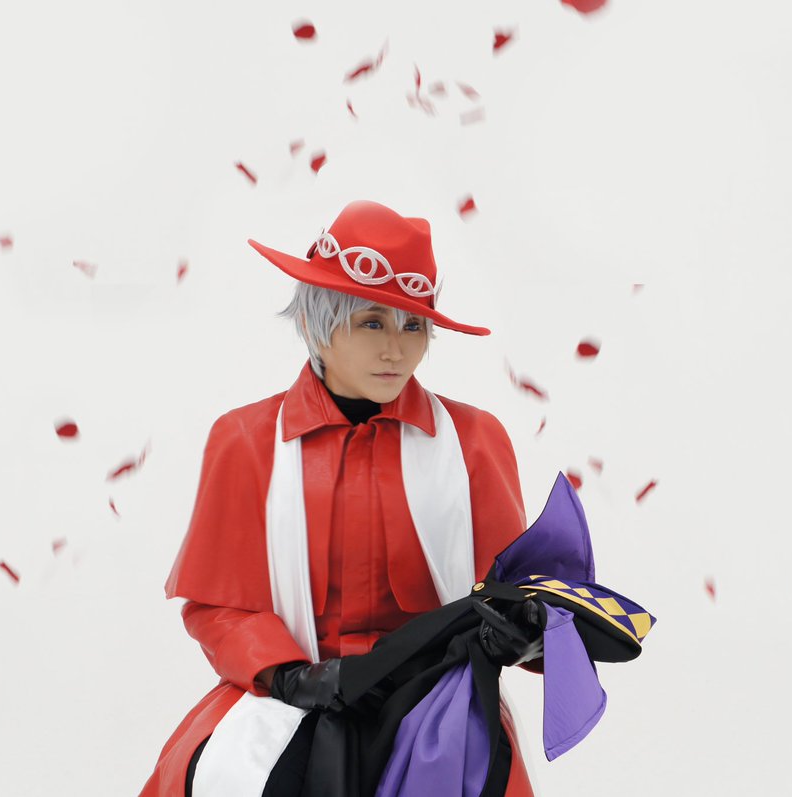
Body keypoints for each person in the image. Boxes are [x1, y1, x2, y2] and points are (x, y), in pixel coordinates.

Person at [137, 199, 540, 796]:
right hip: (284, 696)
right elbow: (217, 606)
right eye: (371, 323)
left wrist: (528, 631)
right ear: (314, 324)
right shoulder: (246, 440)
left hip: (437, 705)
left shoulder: (474, 442)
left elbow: (523, 595)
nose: (395, 350)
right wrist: (291, 677)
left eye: (413, 326)